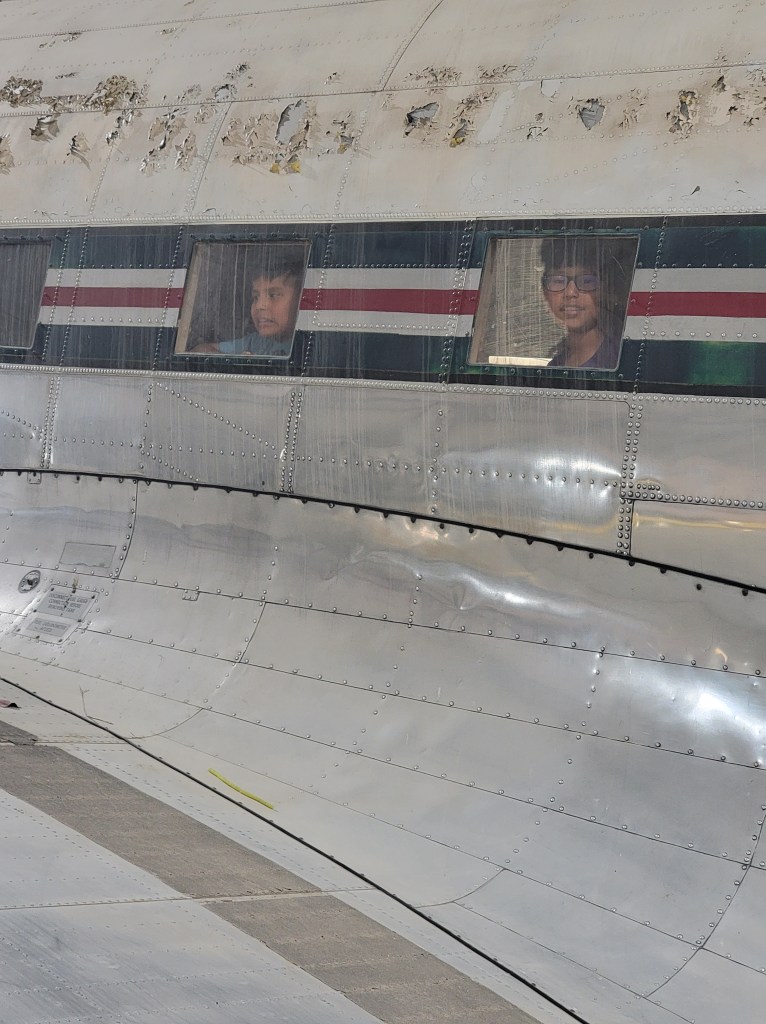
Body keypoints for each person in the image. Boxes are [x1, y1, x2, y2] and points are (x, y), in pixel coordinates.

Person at [540, 237, 633, 369]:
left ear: (606, 290)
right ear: (545, 292)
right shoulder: (558, 362)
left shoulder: (620, 358)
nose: (570, 293)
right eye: (558, 280)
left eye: (587, 281)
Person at [190, 252, 304, 357]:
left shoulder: (305, 347)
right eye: (255, 297)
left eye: (274, 295)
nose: (260, 305)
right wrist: (235, 361)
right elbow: (201, 348)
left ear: (301, 300)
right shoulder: (255, 342)